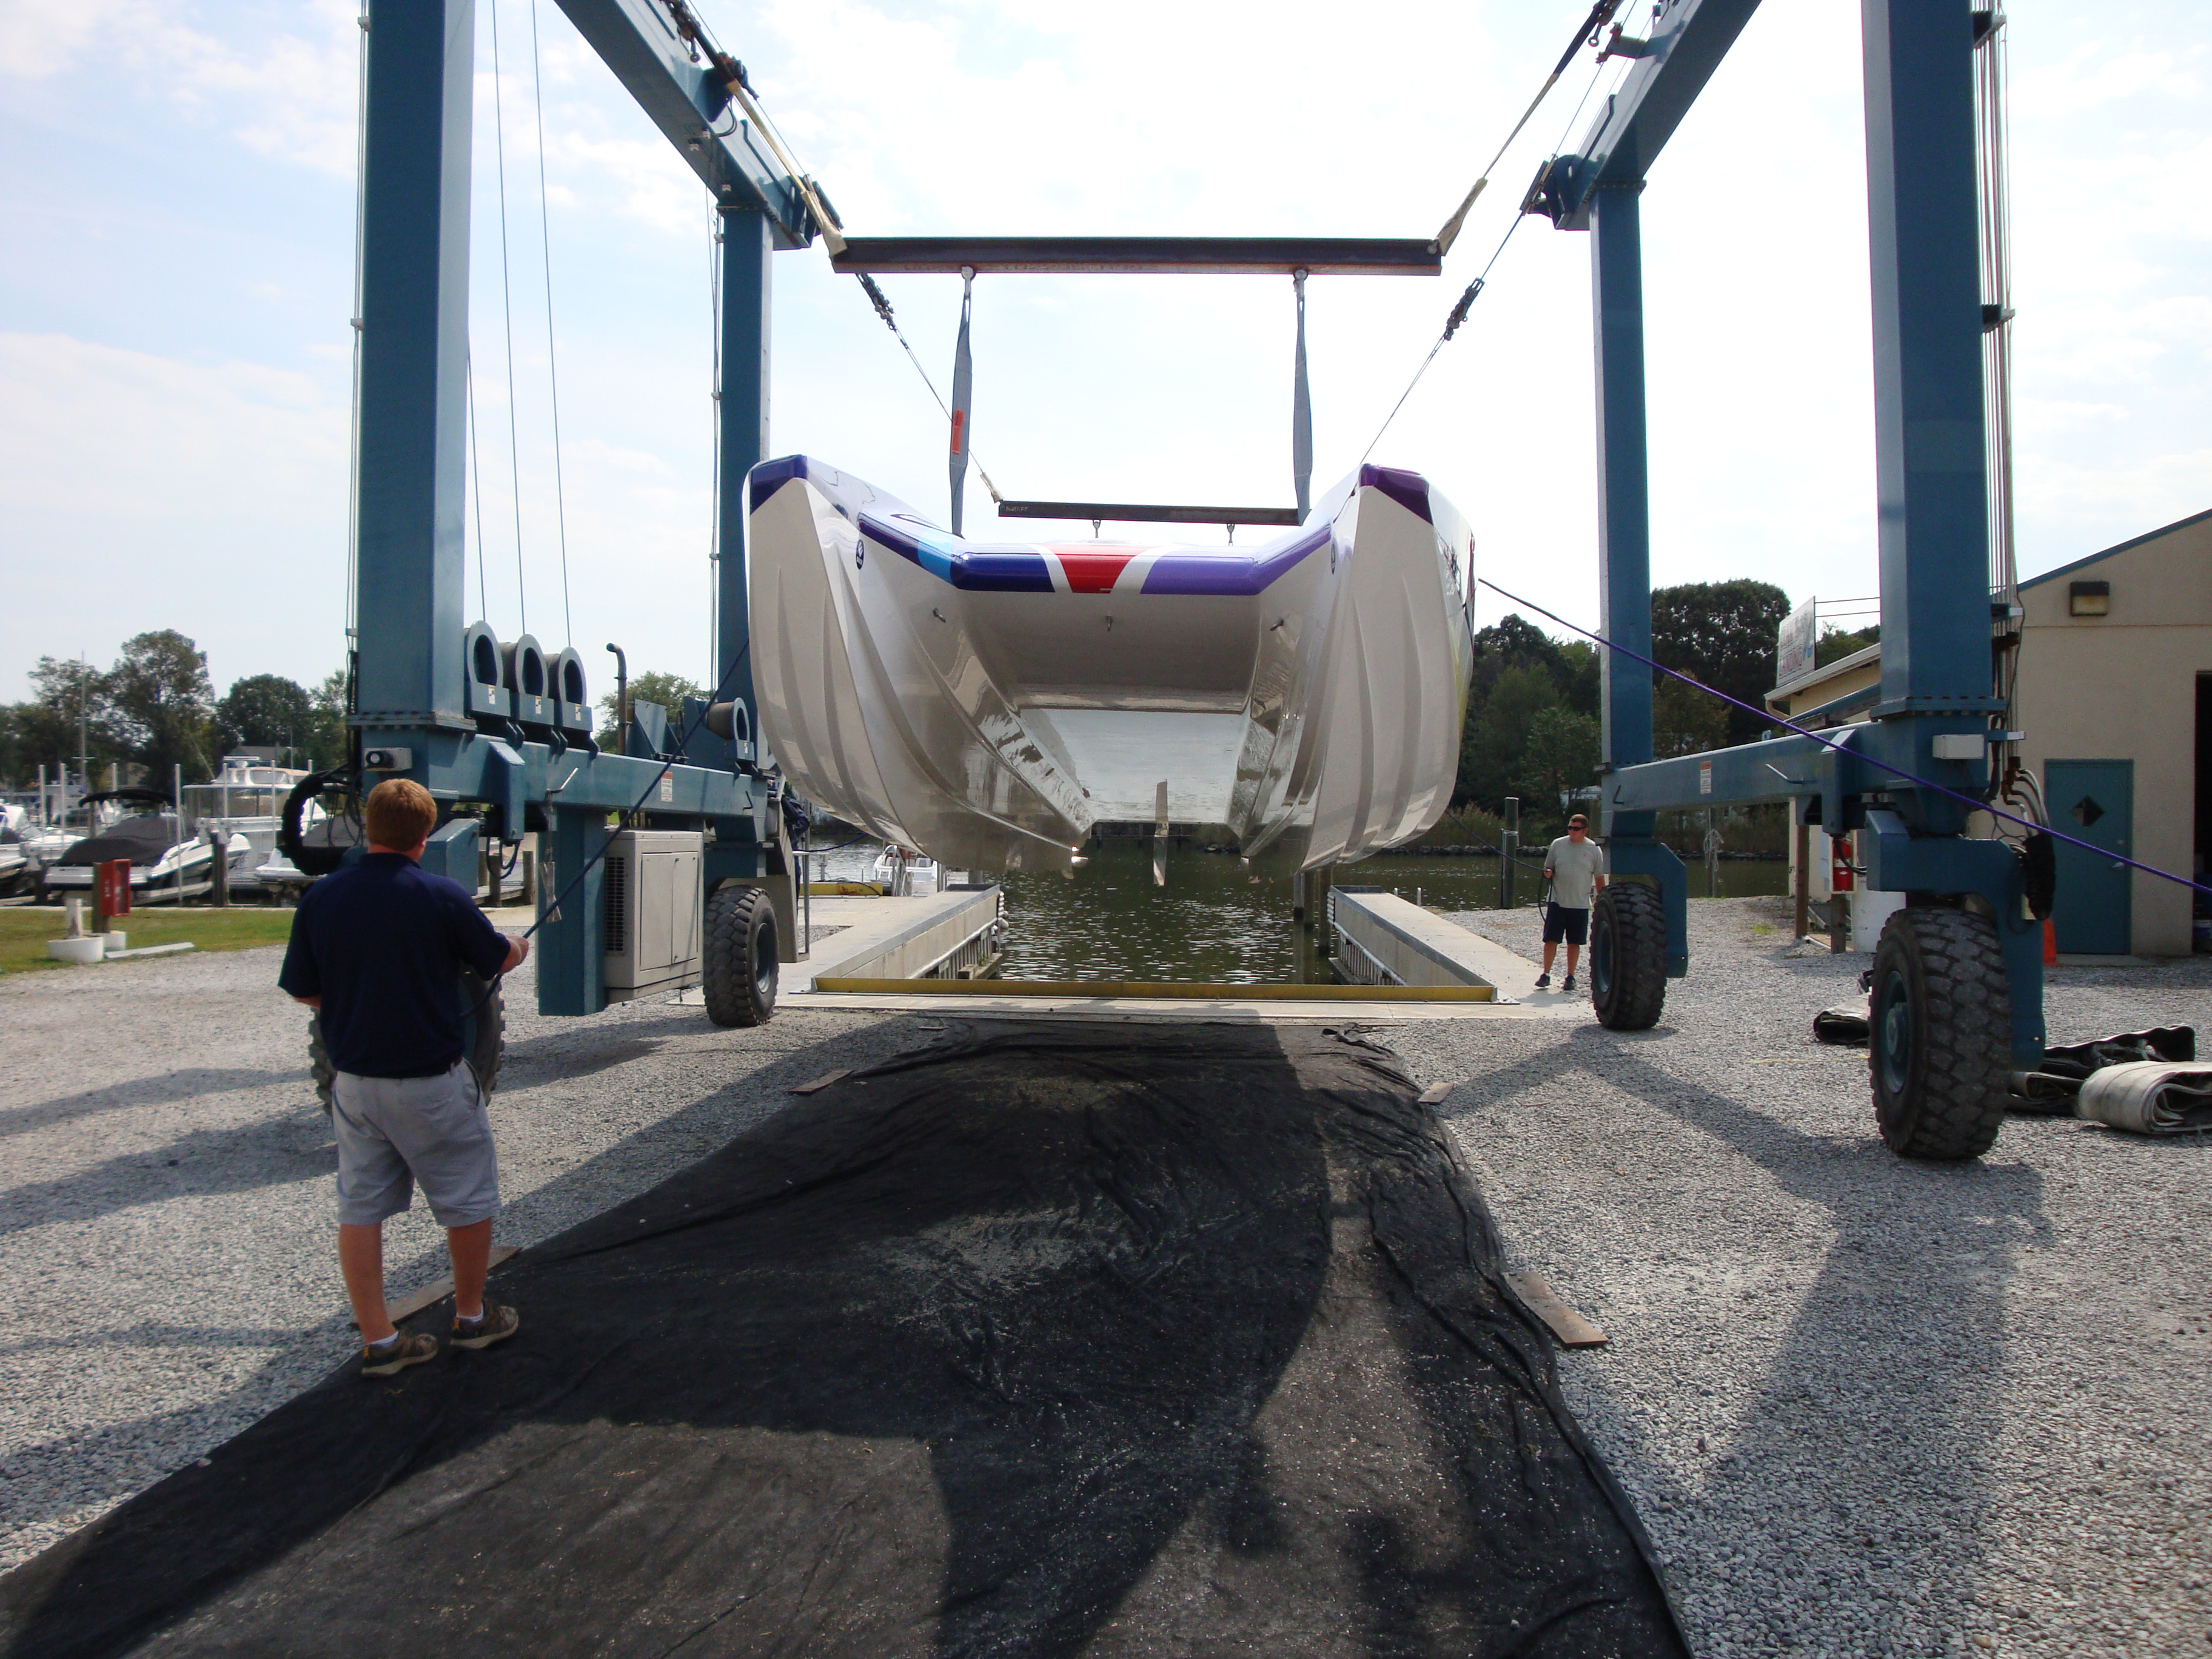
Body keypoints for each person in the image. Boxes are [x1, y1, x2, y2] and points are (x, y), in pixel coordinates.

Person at [280, 778, 529, 1377]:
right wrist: (518, 947)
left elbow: (304, 989)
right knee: (466, 1199)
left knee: (360, 1209)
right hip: (431, 1083)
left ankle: (381, 1342)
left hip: (355, 1085)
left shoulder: (322, 897)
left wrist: (355, 1005)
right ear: (425, 834)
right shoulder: (441, 895)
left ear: (368, 827)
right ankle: (471, 1318)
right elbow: (494, 959)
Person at [1535, 813, 1607, 993]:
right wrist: (1548, 872)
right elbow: (1548, 867)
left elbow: (1599, 878)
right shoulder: (1558, 844)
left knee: (1574, 942)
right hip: (1557, 901)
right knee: (1551, 939)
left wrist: (1602, 902)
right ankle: (1546, 974)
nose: (1572, 832)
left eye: (1576, 829)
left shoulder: (1594, 850)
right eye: (1570, 828)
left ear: (1585, 831)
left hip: (1580, 904)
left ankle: (1570, 977)